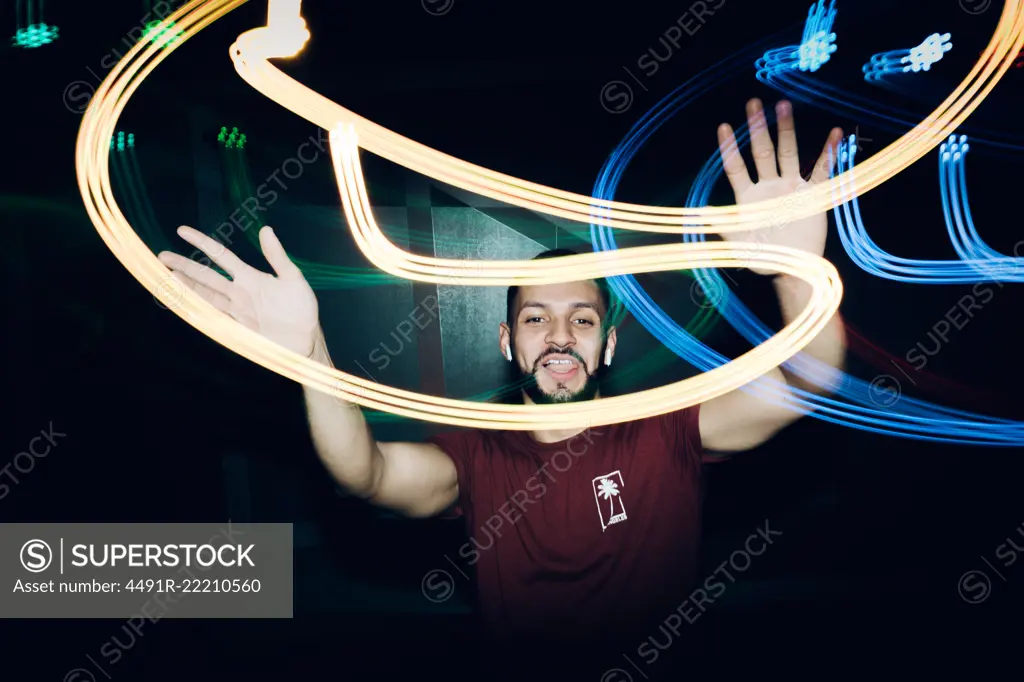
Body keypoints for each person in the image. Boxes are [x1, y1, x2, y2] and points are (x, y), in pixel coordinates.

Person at [158, 98, 846, 676]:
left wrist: (793, 270)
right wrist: (311, 354)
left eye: (581, 319)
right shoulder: (477, 452)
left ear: (606, 346)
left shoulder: (667, 427)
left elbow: (808, 381)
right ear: (506, 342)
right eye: (535, 318)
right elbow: (364, 472)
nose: (558, 335)